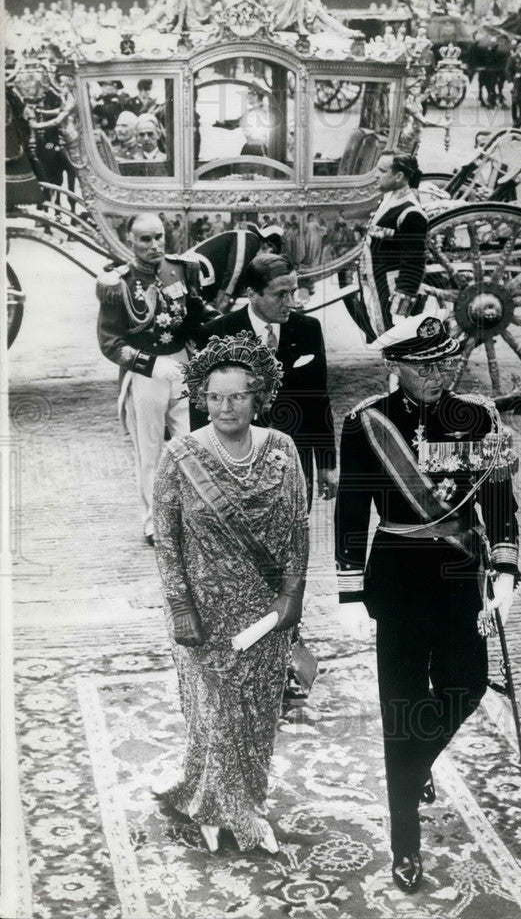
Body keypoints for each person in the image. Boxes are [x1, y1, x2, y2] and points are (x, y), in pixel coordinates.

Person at [335, 314, 520, 893]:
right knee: (402, 705)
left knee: (468, 681)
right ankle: (405, 841)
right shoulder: (366, 422)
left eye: (446, 363)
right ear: (397, 366)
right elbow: (351, 510)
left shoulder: (478, 416)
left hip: (461, 574)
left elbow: (498, 498)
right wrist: (347, 589)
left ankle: (414, 764)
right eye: (424, 367)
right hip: (397, 581)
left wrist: (506, 572)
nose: (438, 375)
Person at [153, 332, 309, 854]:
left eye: (238, 395)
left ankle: (220, 794)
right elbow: (167, 540)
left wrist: (292, 597)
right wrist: (180, 606)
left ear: (257, 396)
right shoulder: (180, 455)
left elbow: (299, 529)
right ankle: (227, 811)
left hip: (264, 612)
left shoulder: (283, 449)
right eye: (215, 396)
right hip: (203, 609)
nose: (226, 407)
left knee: (258, 713)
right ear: (201, 396)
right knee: (216, 713)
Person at [190, 253, 336, 509]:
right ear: (252, 294)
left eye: (293, 291)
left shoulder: (308, 329)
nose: (290, 302)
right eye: (280, 294)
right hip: (236, 460)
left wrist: (327, 464)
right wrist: (202, 467)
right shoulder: (217, 334)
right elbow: (201, 405)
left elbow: (319, 400)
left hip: (295, 459)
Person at [96, 213, 208, 544]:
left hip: (182, 366)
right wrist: (151, 365)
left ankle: (191, 517)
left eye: (158, 237)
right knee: (150, 450)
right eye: (145, 239)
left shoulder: (181, 269)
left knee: (191, 443)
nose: (154, 245)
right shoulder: (119, 283)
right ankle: (154, 520)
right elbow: (110, 343)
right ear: (129, 241)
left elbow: (197, 315)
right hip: (145, 373)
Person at [356, 151, 428, 337]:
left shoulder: (411, 212)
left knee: (398, 345)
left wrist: (401, 309)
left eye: (382, 170)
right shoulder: (390, 198)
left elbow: (414, 262)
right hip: (379, 287)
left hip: (392, 292)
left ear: (399, 176)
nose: (376, 175)